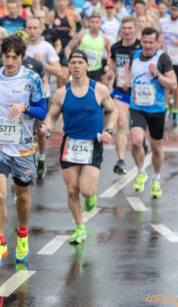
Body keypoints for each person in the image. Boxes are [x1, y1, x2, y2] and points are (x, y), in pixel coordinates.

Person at [0, 35, 47, 266]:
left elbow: (42, 111)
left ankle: (22, 234)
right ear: (2, 55)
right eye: (6, 56)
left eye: (14, 58)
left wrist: (26, 107)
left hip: (24, 147)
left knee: (22, 196)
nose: (9, 62)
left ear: (23, 57)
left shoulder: (32, 79)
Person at [43, 50, 117, 244]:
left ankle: (90, 196)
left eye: (79, 62)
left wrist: (109, 129)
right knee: (71, 189)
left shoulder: (98, 90)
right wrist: (47, 126)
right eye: (72, 63)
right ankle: (79, 227)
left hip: (92, 144)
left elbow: (113, 110)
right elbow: (51, 116)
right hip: (70, 145)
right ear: (69, 67)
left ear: (86, 66)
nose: (76, 66)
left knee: (85, 190)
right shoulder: (61, 93)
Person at [124, 27, 177, 198]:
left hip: (156, 109)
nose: (147, 46)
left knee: (156, 148)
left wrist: (156, 76)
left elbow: (173, 85)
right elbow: (127, 69)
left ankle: (156, 178)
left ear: (157, 42)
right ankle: (141, 172)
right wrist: (125, 81)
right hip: (137, 107)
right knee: (137, 142)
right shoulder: (134, 55)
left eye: (151, 43)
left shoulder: (163, 58)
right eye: (144, 42)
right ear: (141, 41)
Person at [25, 17, 62, 178]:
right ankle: (24, 160)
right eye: (29, 28)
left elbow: (59, 71)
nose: (32, 31)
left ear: (41, 29)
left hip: (41, 95)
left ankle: (41, 157)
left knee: (41, 130)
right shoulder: (21, 46)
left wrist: (41, 64)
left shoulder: (46, 47)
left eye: (35, 28)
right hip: (22, 95)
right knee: (23, 130)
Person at [106, 17, 141, 175]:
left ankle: (141, 142)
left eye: (129, 28)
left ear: (135, 29)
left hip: (138, 92)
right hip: (120, 90)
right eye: (124, 28)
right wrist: (109, 70)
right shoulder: (116, 47)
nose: (126, 31)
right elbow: (112, 61)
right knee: (121, 123)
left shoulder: (141, 47)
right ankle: (120, 160)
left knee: (137, 130)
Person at [66, 13, 111, 82]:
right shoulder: (82, 34)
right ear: (88, 23)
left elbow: (110, 52)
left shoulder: (104, 38)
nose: (94, 24)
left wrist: (108, 65)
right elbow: (68, 48)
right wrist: (71, 62)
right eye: (92, 22)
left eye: (97, 22)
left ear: (100, 23)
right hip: (81, 69)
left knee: (95, 91)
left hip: (96, 70)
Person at [48, 0, 81, 87]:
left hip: (67, 48)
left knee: (65, 74)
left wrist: (75, 34)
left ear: (67, 2)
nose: (61, 3)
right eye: (60, 1)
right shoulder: (52, 14)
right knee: (59, 76)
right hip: (56, 47)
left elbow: (81, 28)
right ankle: (61, 97)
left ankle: (66, 95)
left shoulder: (73, 14)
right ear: (57, 2)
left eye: (63, 1)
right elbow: (45, 29)